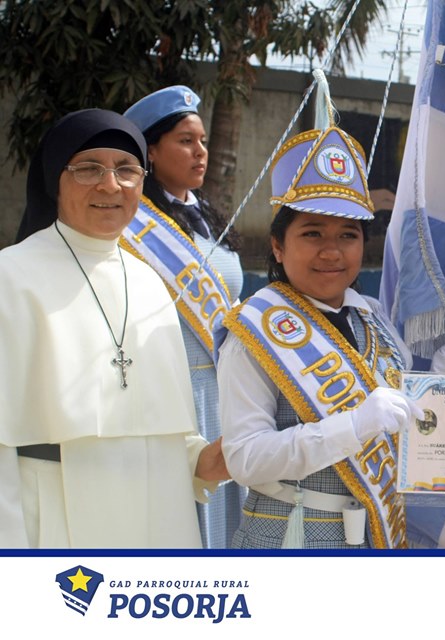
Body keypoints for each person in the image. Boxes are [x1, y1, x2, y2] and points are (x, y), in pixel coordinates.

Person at [217, 122, 445, 549]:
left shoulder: (371, 315)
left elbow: (410, 406)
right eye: (312, 233)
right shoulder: (254, 331)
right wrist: (352, 426)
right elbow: (245, 459)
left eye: (348, 235)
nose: (332, 251)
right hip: (291, 538)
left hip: (376, 535)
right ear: (278, 245)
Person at [0, 109, 228, 548]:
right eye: (88, 169)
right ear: (55, 179)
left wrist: (206, 459)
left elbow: (166, 432)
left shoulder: (150, 283)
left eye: (126, 169)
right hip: (56, 523)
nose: (110, 185)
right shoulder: (11, 277)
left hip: (161, 519)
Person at [122, 86, 245, 549]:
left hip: (224, 388)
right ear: (151, 151)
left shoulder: (205, 216)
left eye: (203, 142)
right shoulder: (133, 225)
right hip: (172, 391)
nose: (200, 152)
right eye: (185, 141)